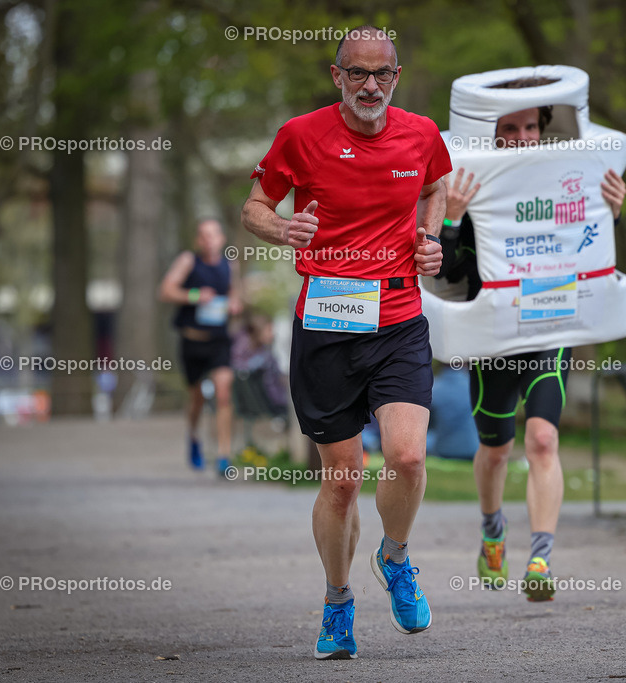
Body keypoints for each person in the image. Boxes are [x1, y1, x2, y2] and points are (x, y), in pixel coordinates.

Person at [240, 26, 450, 660]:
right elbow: (254, 205)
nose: (370, 86)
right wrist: (283, 227)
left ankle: (396, 556)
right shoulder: (300, 136)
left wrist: (428, 238)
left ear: (397, 76)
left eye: (381, 74)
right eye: (357, 74)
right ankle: (337, 602)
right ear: (337, 77)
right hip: (328, 323)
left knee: (408, 458)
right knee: (342, 482)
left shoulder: (421, 134)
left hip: (398, 315)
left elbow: (436, 186)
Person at [437, 89, 626, 602]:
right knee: (496, 450)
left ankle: (541, 557)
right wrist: (452, 217)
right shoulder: (475, 182)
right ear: (493, 133)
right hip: (493, 332)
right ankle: (492, 530)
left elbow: (591, 247)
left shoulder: (570, 177)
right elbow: (448, 271)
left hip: (550, 327)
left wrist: (610, 211)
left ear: (543, 130)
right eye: (510, 129)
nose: (521, 138)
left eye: (529, 128)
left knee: (542, 440)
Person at [159, 218, 242, 475]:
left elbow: (235, 295)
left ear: (221, 239)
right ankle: (194, 437)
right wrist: (195, 295)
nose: (208, 240)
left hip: (219, 341)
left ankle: (223, 455)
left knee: (223, 393)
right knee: (196, 399)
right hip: (192, 341)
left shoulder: (231, 264)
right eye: (203, 235)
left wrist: (234, 305)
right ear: (198, 240)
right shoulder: (188, 261)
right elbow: (165, 291)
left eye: (213, 235)